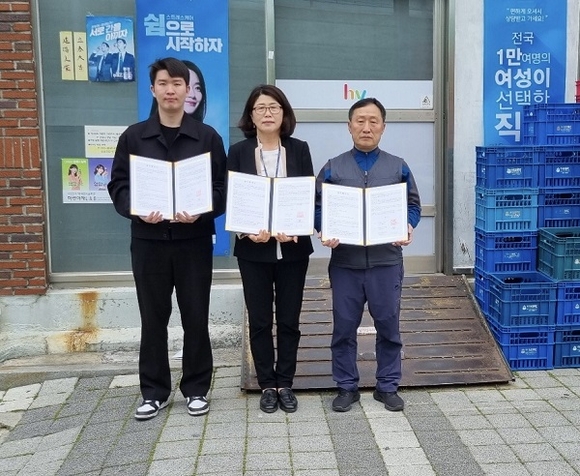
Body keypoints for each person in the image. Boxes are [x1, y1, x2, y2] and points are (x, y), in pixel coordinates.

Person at [107, 57, 226, 420]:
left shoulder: (206, 137)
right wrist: (137, 209)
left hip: (193, 240)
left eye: (177, 84)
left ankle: (196, 388)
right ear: (153, 89)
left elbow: (222, 189)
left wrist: (202, 210)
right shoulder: (133, 137)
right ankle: (154, 392)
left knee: (196, 315)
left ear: (187, 90)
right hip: (149, 241)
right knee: (153, 318)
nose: (170, 90)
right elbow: (118, 185)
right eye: (163, 83)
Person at [315, 97, 421, 413]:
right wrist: (323, 228)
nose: (366, 127)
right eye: (360, 120)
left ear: (383, 127)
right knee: (343, 327)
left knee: (388, 326)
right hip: (345, 263)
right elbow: (317, 206)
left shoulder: (398, 166)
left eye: (373, 121)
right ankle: (346, 387)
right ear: (349, 126)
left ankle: (387, 386)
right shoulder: (333, 167)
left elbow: (413, 205)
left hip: (386, 261)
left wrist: (408, 225)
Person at [227, 85, 314, 413]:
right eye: (260, 108)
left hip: (293, 250)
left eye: (274, 107)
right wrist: (248, 231)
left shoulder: (299, 148)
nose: (267, 113)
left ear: (284, 114)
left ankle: (285, 382)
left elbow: (307, 194)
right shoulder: (238, 151)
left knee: (290, 319)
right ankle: (266, 383)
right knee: (260, 319)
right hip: (253, 251)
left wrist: (297, 226)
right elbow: (232, 198)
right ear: (251, 116)